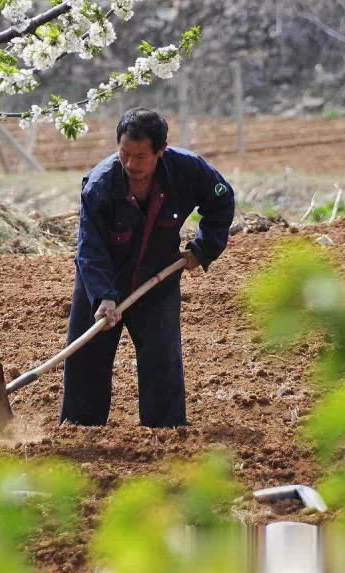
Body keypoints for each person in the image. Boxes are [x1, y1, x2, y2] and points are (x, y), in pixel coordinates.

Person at [60, 108, 235, 428]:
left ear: (161, 151)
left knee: (162, 362)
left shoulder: (188, 171)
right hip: (100, 278)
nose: (131, 165)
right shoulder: (99, 184)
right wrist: (103, 297)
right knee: (86, 359)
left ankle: (165, 438)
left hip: (157, 280)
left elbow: (221, 201)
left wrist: (204, 248)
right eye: (124, 154)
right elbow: (90, 248)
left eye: (141, 157)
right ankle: (80, 434)